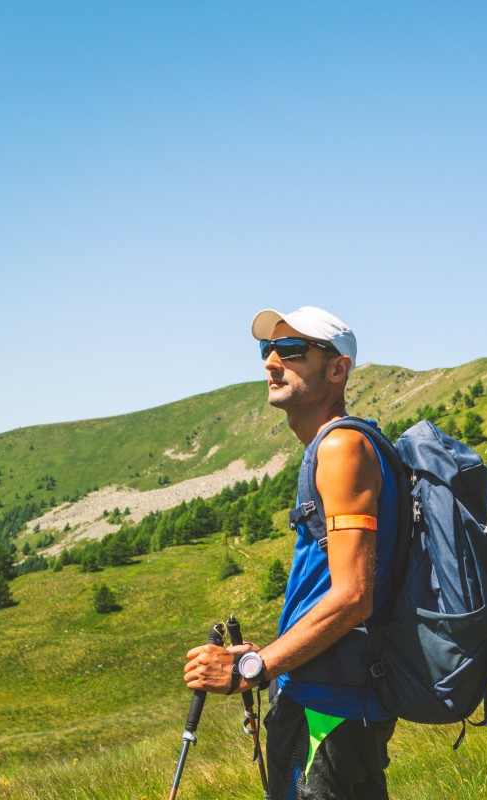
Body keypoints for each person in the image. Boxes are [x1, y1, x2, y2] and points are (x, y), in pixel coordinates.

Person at [183, 306, 400, 799]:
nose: (272, 362)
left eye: (293, 350)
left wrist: (249, 670)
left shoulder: (342, 448)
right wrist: (269, 657)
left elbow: (353, 598)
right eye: (267, 350)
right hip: (326, 691)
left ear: (338, 369)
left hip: (332, 704)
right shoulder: (335, 446)